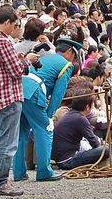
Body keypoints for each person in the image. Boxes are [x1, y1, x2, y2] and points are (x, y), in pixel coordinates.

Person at [0, 5, 39, 197]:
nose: (14, 28)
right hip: (9, 96)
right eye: (14, 24)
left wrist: (17, 57)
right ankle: (0, 182)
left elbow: (3, 65)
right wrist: (27, 59)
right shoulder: (2, 41)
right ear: (7, 22)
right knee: (7, 142)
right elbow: (16, 71)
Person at [12, 38, 82, 182]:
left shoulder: (47, 59)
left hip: (19, 89)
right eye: (73, 55)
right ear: (69, 52)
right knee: (45, 129)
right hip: (34, 91)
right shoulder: (66, 65)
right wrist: (50, 115)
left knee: (21, 132)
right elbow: (58, 93)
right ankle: (44, 171)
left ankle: (18, 171)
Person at [52, 92, 112, 169]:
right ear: (87, 107)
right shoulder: (80, 118)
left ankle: (106, 162)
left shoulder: (70, 114)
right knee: (108, 149)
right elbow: (94, 142)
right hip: (68, 160)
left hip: (61, 159)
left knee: (104, 148)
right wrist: (102, 149)